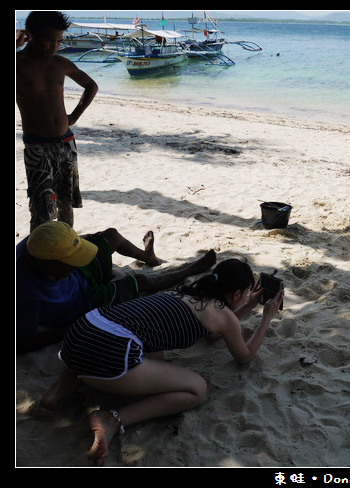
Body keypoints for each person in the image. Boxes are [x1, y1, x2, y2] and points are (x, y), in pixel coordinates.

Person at [41, 258, 284, 466]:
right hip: (109, 353)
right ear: (237, 294)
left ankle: (58, 391)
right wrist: (266, 318)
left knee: (154, 351)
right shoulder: (222, 315)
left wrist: (249, 305)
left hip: (81, 330)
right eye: (243, 297)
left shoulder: (184, 294)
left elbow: (216, 332)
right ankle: (113, 419)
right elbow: (244, 355)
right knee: (197, 389)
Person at [16, 221, 217, 354]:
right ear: (44, 265)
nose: (76, 262)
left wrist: (81, 251)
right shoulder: (26, 296)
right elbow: (23, 342)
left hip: (79, 277)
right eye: (70, 260)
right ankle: (190, 269)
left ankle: (148, 257)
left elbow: (76, 246)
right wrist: (69, 330)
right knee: (140, 282)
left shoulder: (37, 243)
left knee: (111, 235)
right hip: (85, 300)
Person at [16, 11, 99, 231]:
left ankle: (65, 251)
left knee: (66, 205)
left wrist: (74, 117)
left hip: (65, 143)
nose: (54, 46)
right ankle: (37, 258)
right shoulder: (19, 64)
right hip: (37, 147)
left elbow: (91, 86)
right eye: (49, 40)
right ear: (30, 35)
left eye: (59, 41)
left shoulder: (60, 63)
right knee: (41, 209)